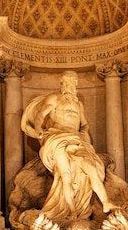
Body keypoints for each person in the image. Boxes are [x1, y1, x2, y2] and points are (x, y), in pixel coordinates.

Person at [21, 70, 117, 222]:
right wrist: (38, 129)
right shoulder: (54, 98)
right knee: (65, 175)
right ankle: (72, 211)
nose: (71, 85)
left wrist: (84, 133)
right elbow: (40, 115)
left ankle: (105, 202)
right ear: (62, 83)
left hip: (76, 140)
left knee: (91, 168)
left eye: (74, 82)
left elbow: (84, 124)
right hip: (57, 138)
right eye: (68, 82)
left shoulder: (78, 104)